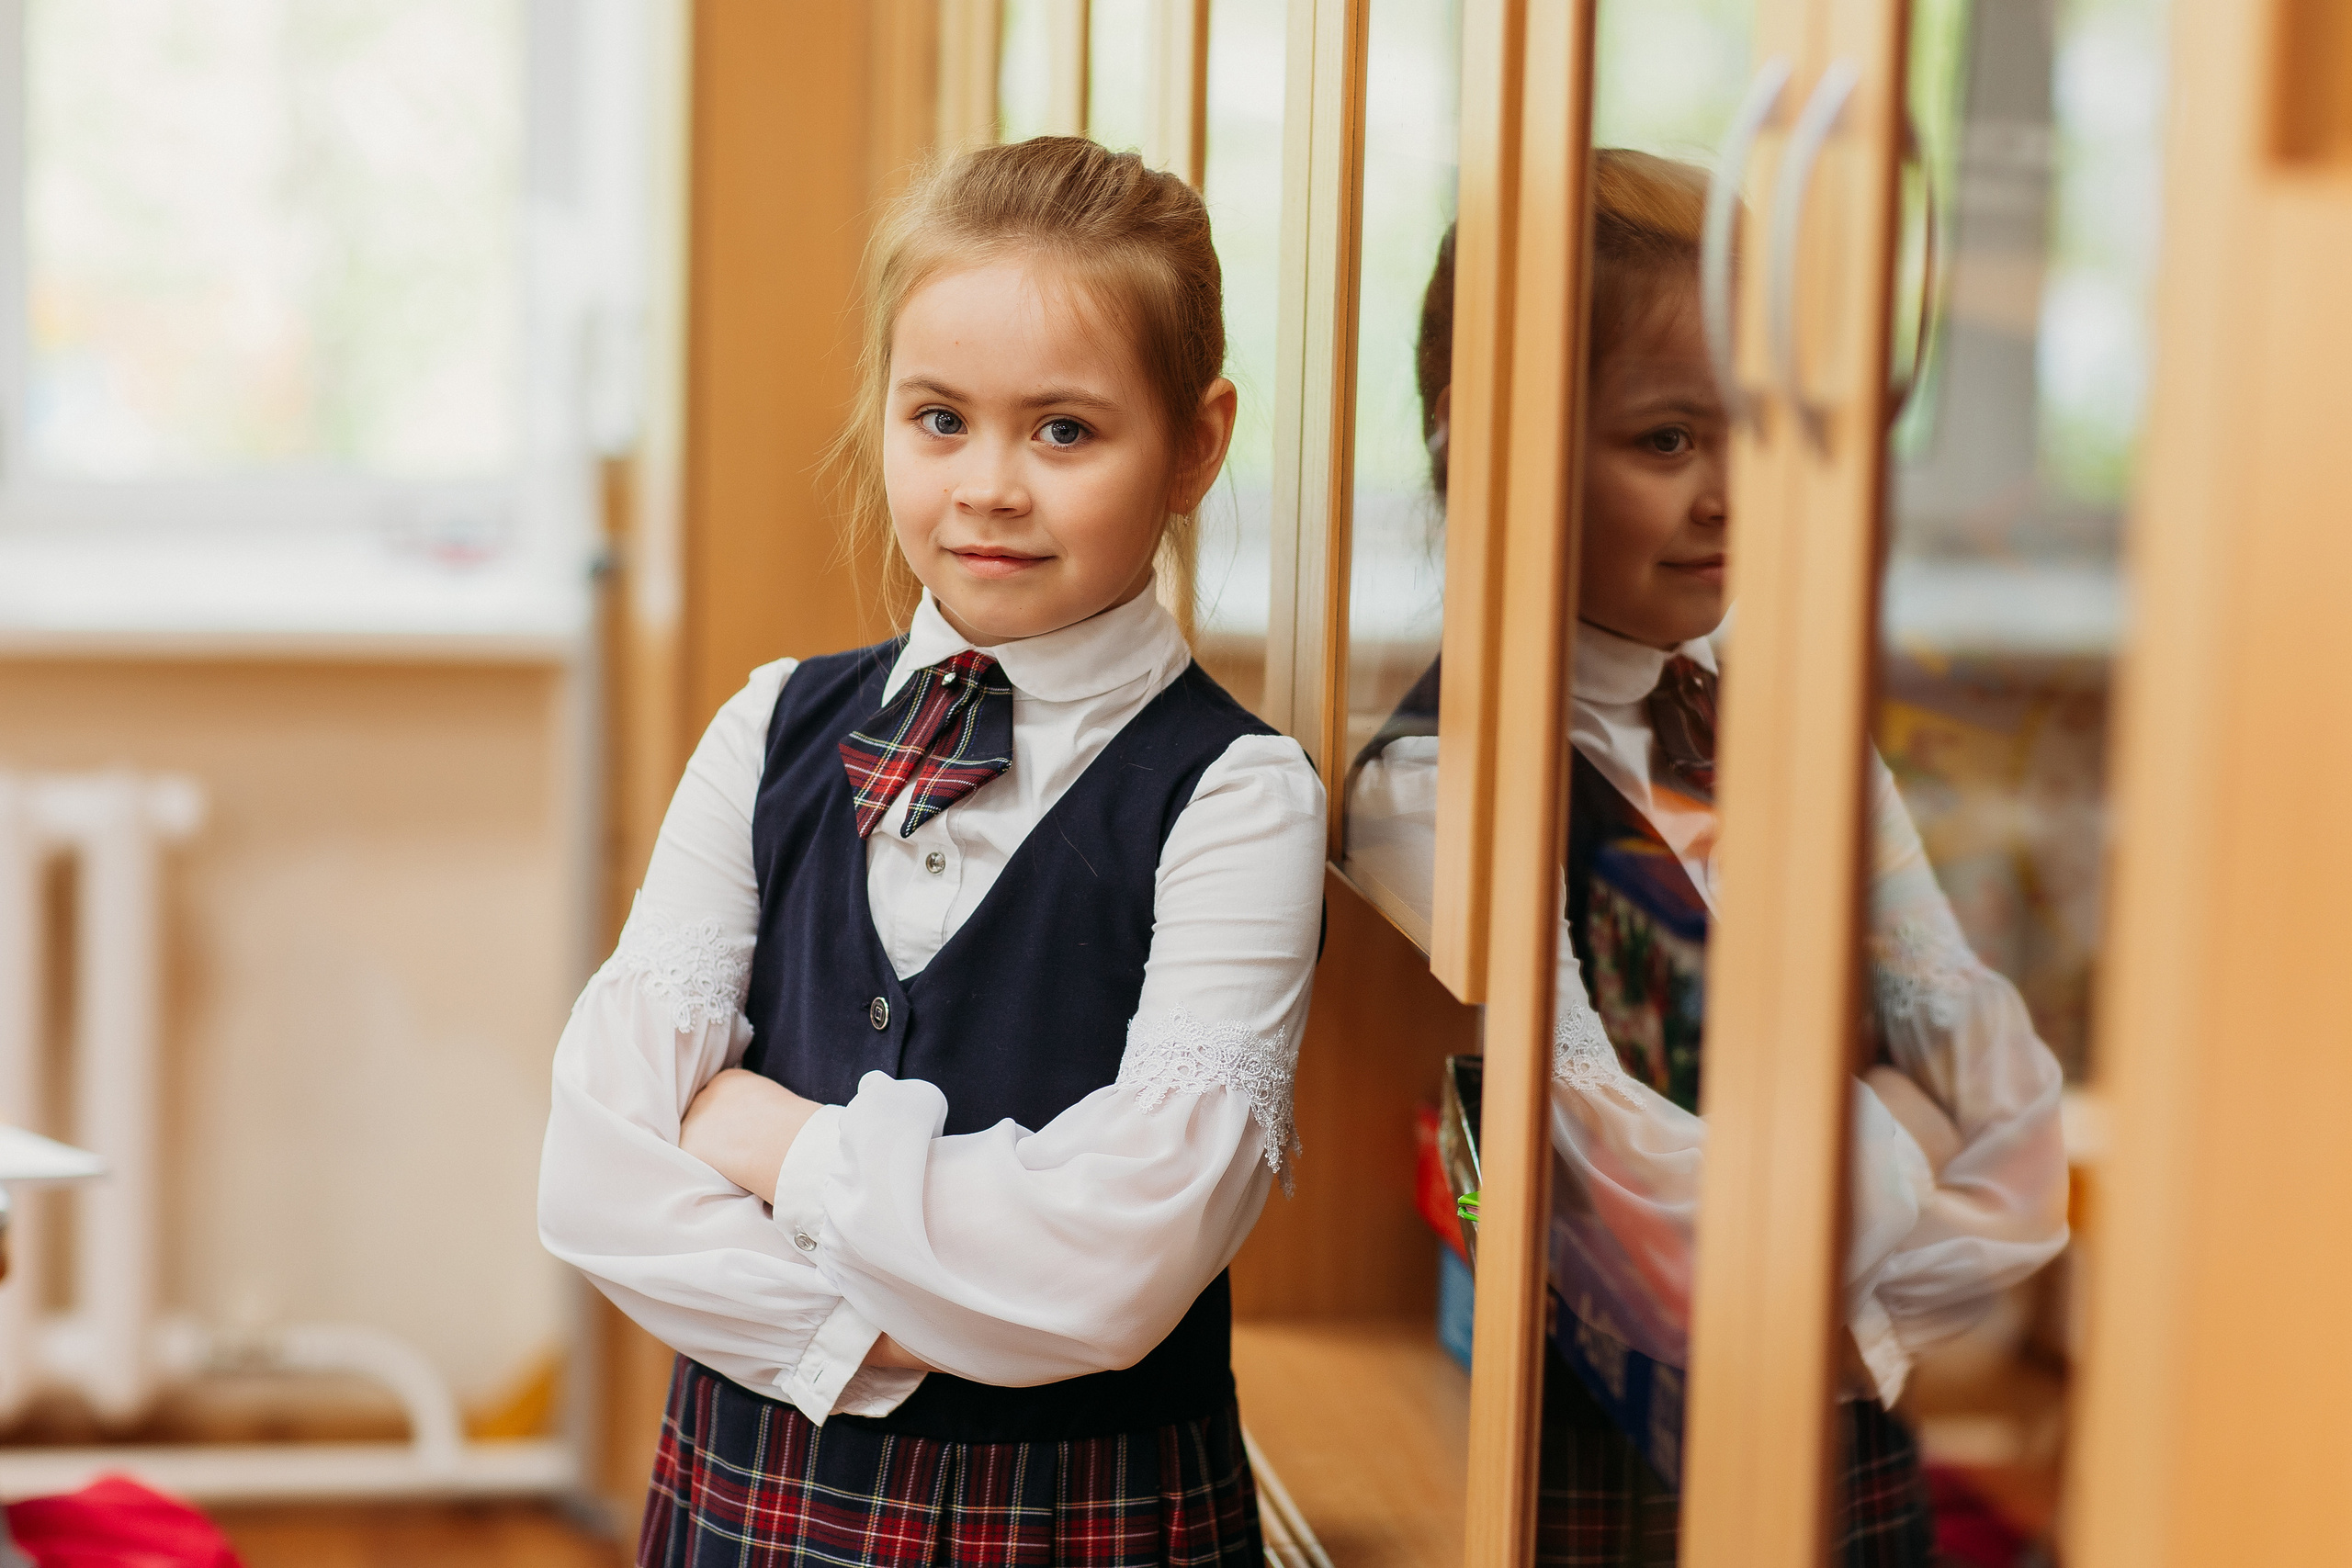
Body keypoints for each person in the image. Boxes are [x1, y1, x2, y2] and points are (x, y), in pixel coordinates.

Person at [538, 137, 1325, 1567]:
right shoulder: (770, 724)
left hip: (1084, 1520)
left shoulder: (1240, 798)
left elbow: (1124, 1257)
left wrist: (781, 1146)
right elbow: (596, 1174)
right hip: (750, 1488)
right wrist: (912, 1314)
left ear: (1197, 445)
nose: (990, 487)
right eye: (940, 419)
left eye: (1066, 432)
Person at [1362, 150, 2070, 1565]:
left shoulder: (1799, 738)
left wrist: (1826, 1315)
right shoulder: (1436, 793)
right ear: (1488, 439)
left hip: (1840, 1455)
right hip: (1605, 1487)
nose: (1731, 494)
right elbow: (1652, 1242)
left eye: (1754, 427)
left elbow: (2016, 1125)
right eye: (1667, 440)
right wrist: (1894, 1128)